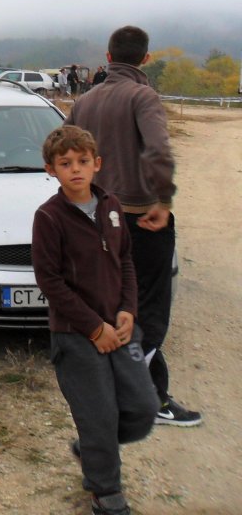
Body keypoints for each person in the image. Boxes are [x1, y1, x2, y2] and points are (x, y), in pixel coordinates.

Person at [66, 25, 202, 428]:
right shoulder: (143, 96)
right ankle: (139, 398)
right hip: (138, 218)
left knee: (112, 305)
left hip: (93, 216)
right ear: (146, 58)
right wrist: (163, 200)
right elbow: (158, 150)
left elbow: (63, 149)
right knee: (149, 311)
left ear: (108, 58)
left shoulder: (85, 101)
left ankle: (144, 395)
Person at [33, 125, 158, 515]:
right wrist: (92, 328)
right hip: (76, 335)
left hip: (119, 328)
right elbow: (50, 281)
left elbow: (125, 260)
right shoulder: (49, 217)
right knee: (99, 414)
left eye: (83, 161)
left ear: (97, 164)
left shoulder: (112, 206)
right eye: (65, 163)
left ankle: (92, 447)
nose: (75, 169)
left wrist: (128, 309)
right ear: (50, 169)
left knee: (144, 407)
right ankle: (105, 491)